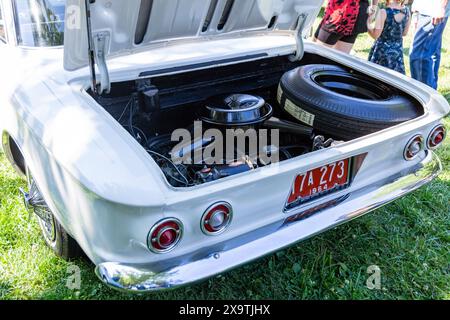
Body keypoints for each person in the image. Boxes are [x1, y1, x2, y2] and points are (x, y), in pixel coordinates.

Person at [409, 0, 450, 89]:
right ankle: (432, 95)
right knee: (431, 54)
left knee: (419, 56)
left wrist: (441, 7)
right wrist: (416, 8)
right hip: (424, 10)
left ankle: (424, 98)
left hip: (432, 12)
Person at [314, 0, 379, 53]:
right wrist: (374, 7)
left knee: (317, 54)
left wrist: (374, 8)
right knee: (339, 60)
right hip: (355, 14)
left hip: (341, 14)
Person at [368, 0, 411, 74]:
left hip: (381, 53)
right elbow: (404, 33)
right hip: (397, 54)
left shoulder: (383, 12)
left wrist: (367, 24)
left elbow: (375, 35)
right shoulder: (407, 12)